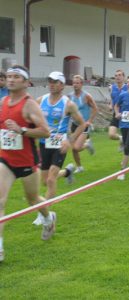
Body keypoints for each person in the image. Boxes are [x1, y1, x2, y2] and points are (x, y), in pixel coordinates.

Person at [0, 65, 55, 262]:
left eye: (16, 77)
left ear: (25, 82)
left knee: (32, 199)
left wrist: (21, 130)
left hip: (27, 160)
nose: (11, 80)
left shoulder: (30, 104)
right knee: (0, 202)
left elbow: (45, 131)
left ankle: (48, 219)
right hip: (5, 159)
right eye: (9, 76)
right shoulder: (2, 102)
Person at [37, 72, 85, 200]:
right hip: (43, 143)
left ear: (62, 85)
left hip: (60, 144)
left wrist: (70, 141)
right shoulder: (41, 100)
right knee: (44, 181)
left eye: (55, 82)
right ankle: (67, 172)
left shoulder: (68, 104)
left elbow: (82, 124)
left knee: (51, 180)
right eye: (50, 81)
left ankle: (45, 214)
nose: (51, 84)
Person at [68, 75, 98, 173]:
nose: (75, 85)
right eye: (74, 83)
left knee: (77, 147)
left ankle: (86, 144)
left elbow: (95, 108)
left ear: (81, 84)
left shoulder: (86, 96)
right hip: (74, 124)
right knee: (73, 149)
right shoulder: (70, 96)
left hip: (84, 125)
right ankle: (79, 167)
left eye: (77, 83)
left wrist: (89, 121)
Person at [108, 70, 128, 143]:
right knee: (111, 134)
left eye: (119, 75)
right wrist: (110, 105)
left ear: (123, 77)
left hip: (126, 114)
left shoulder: (128, 87)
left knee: (128, 139)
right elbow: (112, 98)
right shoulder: (112, 88)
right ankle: (123, 139)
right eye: (116, 76)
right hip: (116, 114)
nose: (117, 77)